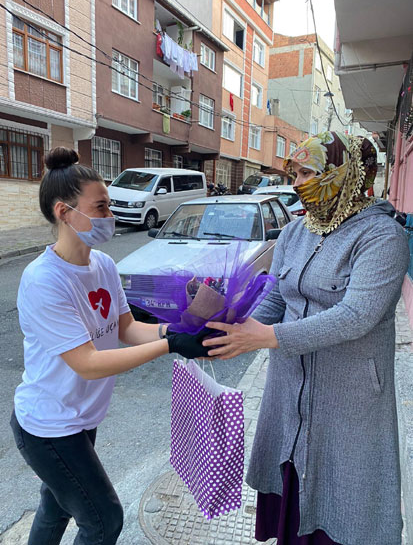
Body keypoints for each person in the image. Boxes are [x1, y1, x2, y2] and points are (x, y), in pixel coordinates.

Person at [204, 131, 410, 545]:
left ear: (344, 172)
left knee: (343, 498)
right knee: (292, 482)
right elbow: (277, 296)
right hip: (289, 388)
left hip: (348, 397)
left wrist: (268, 337)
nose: (296, 183)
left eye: (307, 172)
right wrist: (230, 330)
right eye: (294, 173)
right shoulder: (296, 231)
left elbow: (356, 316)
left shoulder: (382, 237)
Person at [10, 147, 209, 545]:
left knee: (57, 506)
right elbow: (87, 362)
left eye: (109, 205)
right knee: (104, 520)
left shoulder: (102, 265)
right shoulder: (44, 280)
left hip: (81, 417)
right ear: (64, 212)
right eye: (100, 207)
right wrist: (171, 345)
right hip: (49, 425)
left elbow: (128, 328)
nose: (110, 215)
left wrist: (180, 329)